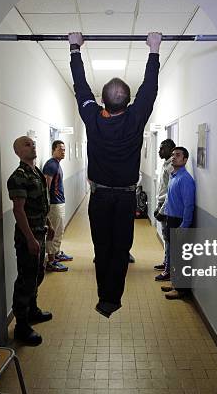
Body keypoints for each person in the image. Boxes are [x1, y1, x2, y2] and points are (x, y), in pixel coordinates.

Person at [68, 31, 162, 317]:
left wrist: (75, 49)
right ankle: (112, 299)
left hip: (98, 197)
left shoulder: (92, 117)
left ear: (103, 102)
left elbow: (81, 87)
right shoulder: (135, 119)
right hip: (124, 199)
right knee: (121, 249)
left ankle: (103, 297)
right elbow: (150, 89)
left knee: (102, 247)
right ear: (129, 101)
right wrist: (154, 49)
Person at [7, 136, 54, 345]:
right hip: (29, 237)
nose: (32, 145)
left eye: (33, 143)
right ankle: (21, 326)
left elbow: (41, 204)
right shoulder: (18, 177)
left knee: (38, 273)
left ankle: (33, 310)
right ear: (17, 151)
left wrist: (49, 224)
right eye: (27, 144)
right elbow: (19, 210)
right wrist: (30, 239)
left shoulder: (36, 172)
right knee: (26, 280)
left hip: (40, 232)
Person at [156, 147, 195, 301]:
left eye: (178, 155)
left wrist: (184, 226)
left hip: (180, 221)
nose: (173, 157)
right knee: (174, 254)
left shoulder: (185, 179)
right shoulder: (174, 176)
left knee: (181, 258)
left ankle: (181, 290)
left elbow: (189, 206)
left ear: (185, 160)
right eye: (173, 155)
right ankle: (175, 283)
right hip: (171, 219)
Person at [43, 140, 73, 272]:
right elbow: (46, 187)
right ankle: (51, 261)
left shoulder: (57, 164)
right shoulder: (51, 165)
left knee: (59, 231)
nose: (63, 152)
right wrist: (47, 206)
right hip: (54, 205)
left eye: (64, 149)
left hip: (59, 203)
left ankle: (56, 254)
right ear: (53, 150)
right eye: (60, 149)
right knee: (53, 232)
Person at [153, 139, 176, 275]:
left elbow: (170, 192)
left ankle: (168, 268)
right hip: (162, 203)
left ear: (170, 149)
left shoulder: (171, 167)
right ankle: (166, 262)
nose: (159, 151)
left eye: (162, 148)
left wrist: (162, 210)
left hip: (167, 206)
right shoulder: (165, 164)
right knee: (165, 236)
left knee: (168, 238)